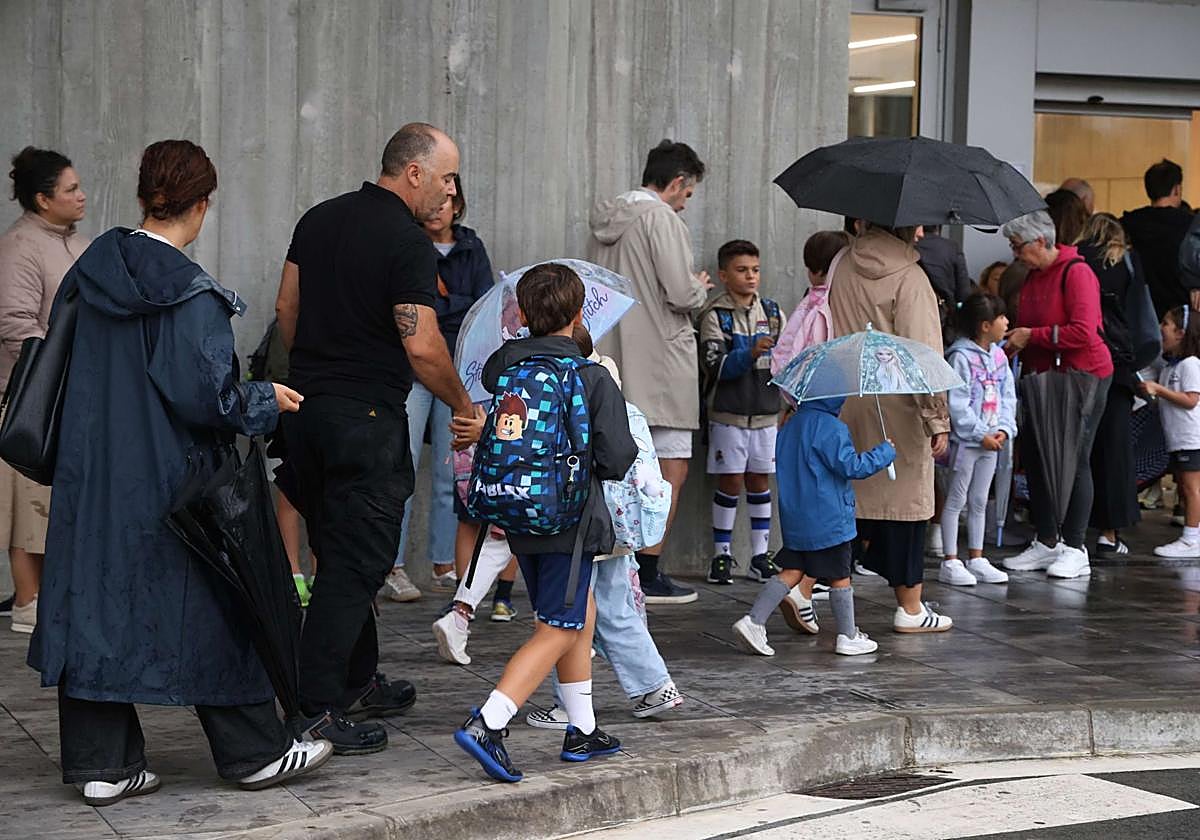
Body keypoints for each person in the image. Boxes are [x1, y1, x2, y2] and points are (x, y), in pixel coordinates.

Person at [27, 140, 331, 805]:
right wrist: (265, 398)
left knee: (96, 608)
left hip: (92, 477)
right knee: (217, 605)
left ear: (144, 195)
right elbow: (206, 399)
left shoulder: (92, 270)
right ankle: (253, 752)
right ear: (201, 203)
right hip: (174, 484)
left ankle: (103, 765)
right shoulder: (189, 295)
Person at [275, 123, 482, 755]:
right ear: (413, 172)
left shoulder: (319, 218)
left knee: (342, 555)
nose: (451, 190)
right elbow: (421, 344)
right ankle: (314, 709)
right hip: (364, 422)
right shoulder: (406, 241)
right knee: (356, 564)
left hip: (304, 412)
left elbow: (288, 309)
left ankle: (357, 680)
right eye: (446, 176)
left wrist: (318, 373)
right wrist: (463, 405)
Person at [453, 263, 637, 783]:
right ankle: (489, 721)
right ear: (579, 315)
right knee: (559, 625)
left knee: (578, 611)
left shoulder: (506, 372)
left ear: (524, 317)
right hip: (569, 522)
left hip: (518, 515)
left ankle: (582, 729)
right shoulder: (590, 376)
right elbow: (617, 457)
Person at [526, 324, 683, 725]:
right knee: (614, 607)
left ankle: (568, 703)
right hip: (619, 527)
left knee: (571, 610)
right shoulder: (615, 391)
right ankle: (655, 685)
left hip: (584, 525)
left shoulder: (571, 395)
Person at [589, 139, 709, 604]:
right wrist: (698, 287)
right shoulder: (661, 219)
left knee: (615, 466)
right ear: (676, 182)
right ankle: (650, 570)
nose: (686, 202)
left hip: (613, 359)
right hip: (661, 359)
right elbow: (680, 293)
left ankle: (617, 570)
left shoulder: (606, 224)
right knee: (671, 466)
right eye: (688, 193)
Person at [827, 222, 953, 633]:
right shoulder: (911, 277)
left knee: (850, 503)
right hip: (897, 406)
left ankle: (805, 585)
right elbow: (923, 351)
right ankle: (911, 607)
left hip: (845, 394)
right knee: (906, 506)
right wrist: (936, 416)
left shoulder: (841, 263)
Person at [384, 175, 495, 602]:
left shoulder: (471, 246)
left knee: (455, 471)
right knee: (404, 468)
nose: (440, 208)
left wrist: (446, 306)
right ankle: (393, 566)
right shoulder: (408, 245)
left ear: (457, 202)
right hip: (414, 369)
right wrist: (458, 304)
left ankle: (445, 564)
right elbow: (414, 307)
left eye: (449, 199)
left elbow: (485, 305)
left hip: (459, 372)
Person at [731, 393, 895, 657]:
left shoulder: (790, 425)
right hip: (829, 517)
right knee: (840, 574)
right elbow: (851, 466)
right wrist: (884, 452)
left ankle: (754, 621)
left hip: (797, 517)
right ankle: (848, 635)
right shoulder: (832, 427)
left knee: (793, 570)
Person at [0, 147, 88, 633]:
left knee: (53, 502)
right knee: (28, 502)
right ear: (41, 198)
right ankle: (28, 602)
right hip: (31, 395)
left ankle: (46, 598)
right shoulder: (20, 246)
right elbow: (15, 324)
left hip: (68, 394)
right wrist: (46, 376)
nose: (81, 196)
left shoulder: (76, 243)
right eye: (70, 189)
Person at [1002, 210, 1113, 580]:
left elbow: (1085, 332)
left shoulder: (1076, 273)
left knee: (1073, 458)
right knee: (1036, 456)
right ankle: (1048, 540)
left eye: (1018, 246)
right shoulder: (1034, 276)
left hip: (1081, 376)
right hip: (1045, 377)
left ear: (1039, 242)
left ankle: (1075, 545)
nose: (1016, 253)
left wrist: (1031, 337)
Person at [698, 239, 786, 584]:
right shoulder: (715, 314)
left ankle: (760, 555)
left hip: (766, 413)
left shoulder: (773, 311)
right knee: (731, 479)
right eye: (742, 270)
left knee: (759, 480)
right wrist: (749, 352)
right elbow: (713, 366)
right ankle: (721, 556)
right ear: (723, 275)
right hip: (728, 413)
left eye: (755, 270)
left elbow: (783, 361)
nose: (751, 277)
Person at [938, 294, 1017, 586]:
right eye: (1001, 317)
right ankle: (950, 559)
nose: (1006, 322)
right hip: (968, 443)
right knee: (957, 498)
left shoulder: (998, 356)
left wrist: (1004, 429)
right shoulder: (960, 357)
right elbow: (957, 403)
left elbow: (1008, 396)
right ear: (985, 325)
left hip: (992, 440)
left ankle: (977, 556)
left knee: (981, 499)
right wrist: (978, 433)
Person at [1078, 213, 1142, 554]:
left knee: (1080, 448)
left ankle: (1070, 528)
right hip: (1117, 363)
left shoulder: (1075, 260)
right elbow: (1139, 313)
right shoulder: (1125, 263)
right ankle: (1109, 532)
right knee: (1115, 449)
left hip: (1080, 359)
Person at [1144, 306, 1200, 557]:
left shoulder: (1190, 365)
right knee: (1184, 485)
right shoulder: (1169, 367)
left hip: (1191, 438)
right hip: (1177, 439)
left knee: (1190, 487)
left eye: (1166, 323)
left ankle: (1191, 538)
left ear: (1181, 333)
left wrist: (1159, 389)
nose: (1160, 328)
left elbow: (1190, 399)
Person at [771, 230, 850, 376]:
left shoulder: (812, 303)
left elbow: (787, 346)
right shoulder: (843, 299)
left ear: (817, 271)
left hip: (812, 381)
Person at [1122, 159, 1195, 316]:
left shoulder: (1128, 224)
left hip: (1140, 314)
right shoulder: (1191, 226)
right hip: (1181, 316)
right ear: (1176, 189)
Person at [915, 224, 971, 309]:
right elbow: (964, 292)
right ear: (938, 227)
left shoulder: (908, 245)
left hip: (917, 304)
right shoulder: (952, 247)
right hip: (945, 309)